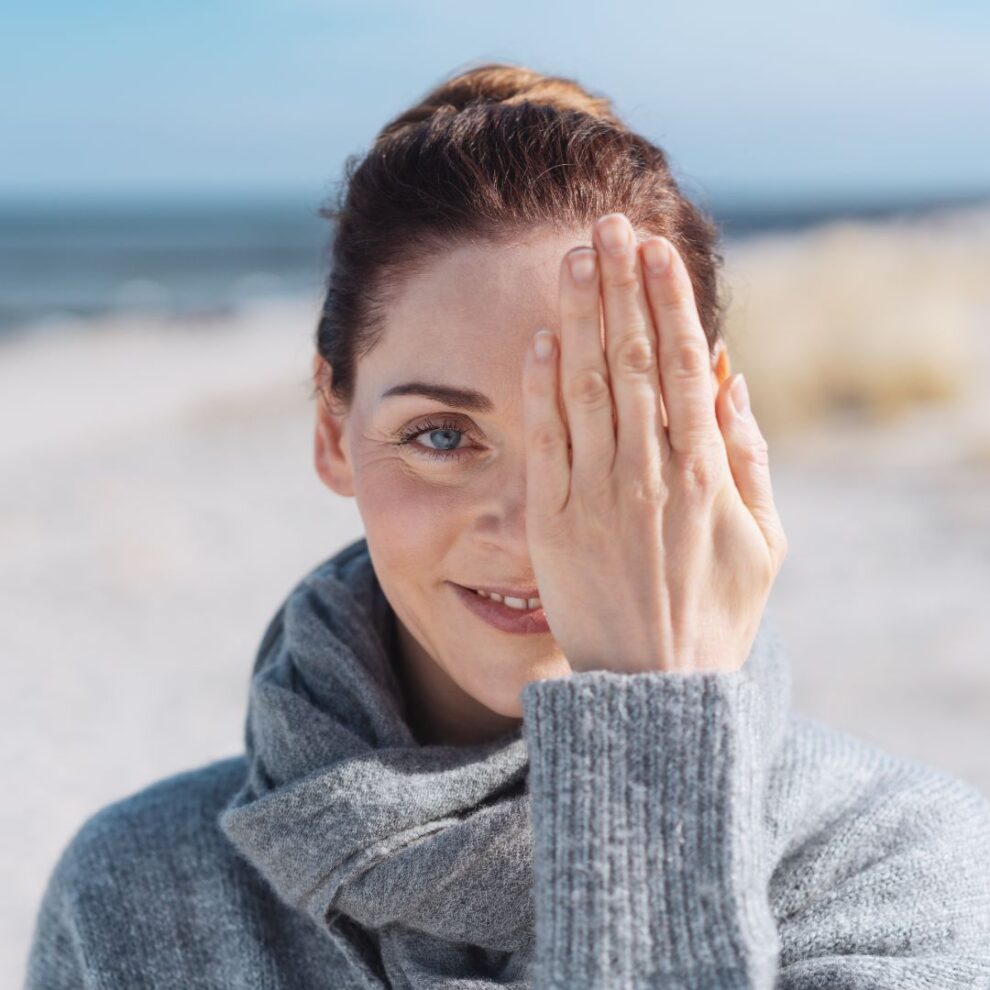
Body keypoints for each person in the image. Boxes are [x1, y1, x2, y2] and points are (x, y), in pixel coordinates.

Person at [23, 63, 990, 990]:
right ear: (331, 428)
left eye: (598, 433)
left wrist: (650, 711)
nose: (539, 530)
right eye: (442, 434)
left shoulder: (903, 865)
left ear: (713, 430)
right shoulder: (136, 888)